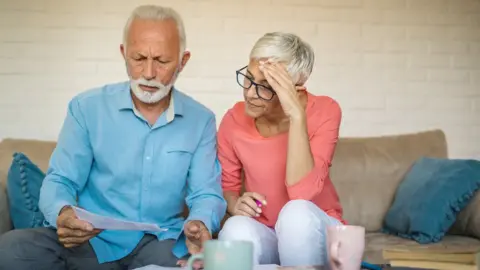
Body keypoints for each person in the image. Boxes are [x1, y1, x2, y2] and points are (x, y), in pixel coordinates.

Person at [0, 5, 226, 270]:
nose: (149, 73)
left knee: (202, 265)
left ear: (182, 61)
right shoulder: (86, 108)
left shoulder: (201, 121)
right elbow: (61, 180)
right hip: (91, 242)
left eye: (162, 61)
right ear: (123, 53)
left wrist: (199, 222)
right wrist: (63, 213)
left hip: (160, 243)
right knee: (10, 250)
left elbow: (206, 194)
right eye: (139, 58)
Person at [217, 32, 346, 267]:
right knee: (235, 228)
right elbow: (228, 186)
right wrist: (235, 203)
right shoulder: (233, 120)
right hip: (268, 232)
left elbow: (302, 194)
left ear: (294, 89)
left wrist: (296, 116)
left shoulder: (326, 110)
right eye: (248, 78)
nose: (249, 93)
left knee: (295, 214)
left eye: (266, 86)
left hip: (316, 231)